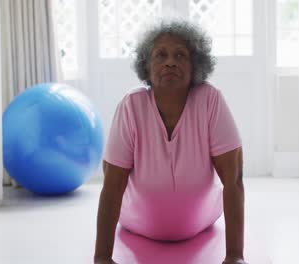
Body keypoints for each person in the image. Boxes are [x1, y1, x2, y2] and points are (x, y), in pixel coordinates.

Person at [94, 20, 247, 264]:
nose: (170, 62)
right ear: (146, 66)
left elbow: (234, 179)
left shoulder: (211, 100)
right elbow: (112, 184)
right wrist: (102, 257)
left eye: (180, 55)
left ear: (195, 64)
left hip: (200, 221)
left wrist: (235, 256)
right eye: (160, 55)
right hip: (137, 222)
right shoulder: (131, 105)